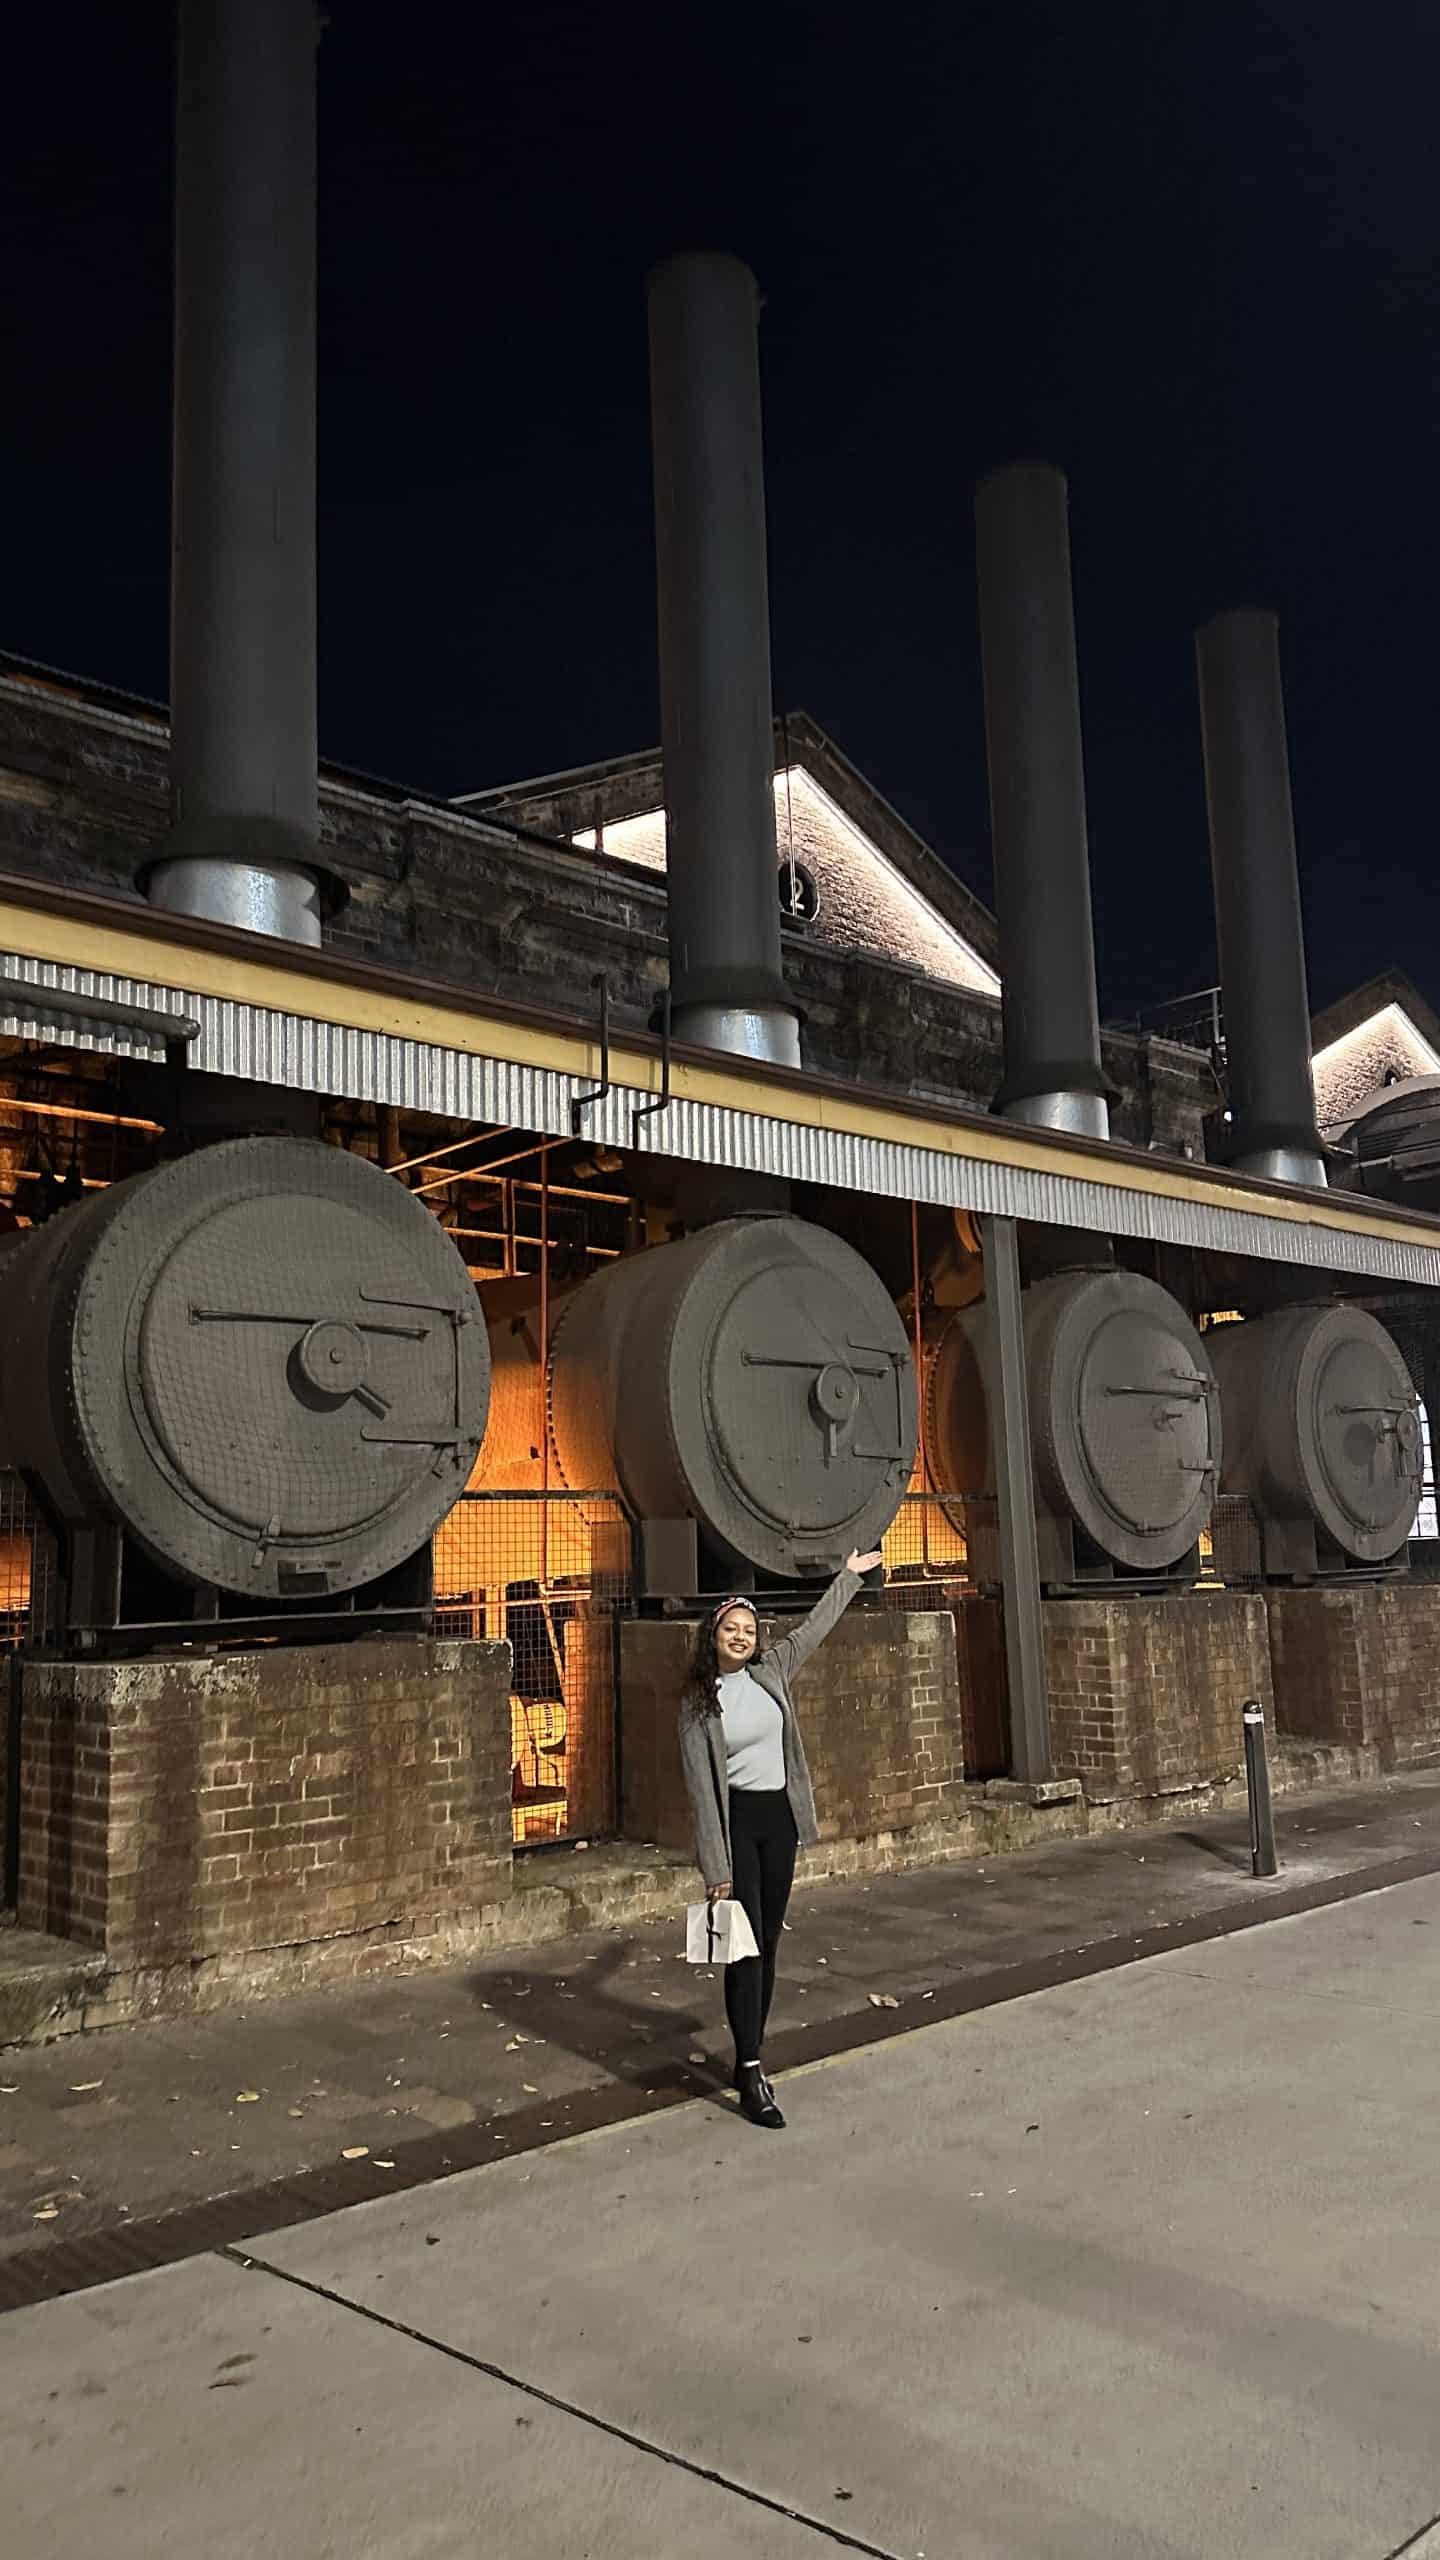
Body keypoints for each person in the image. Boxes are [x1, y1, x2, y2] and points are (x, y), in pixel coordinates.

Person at [678, 1548, 884, 2130]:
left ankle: (752, 2050)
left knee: (766, 1942)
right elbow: (700, 1793)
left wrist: (848, 1576)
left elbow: (815, 1627)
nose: (741, 1637)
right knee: (742, 1949)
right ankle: (748, 2070)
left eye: (749, 1630)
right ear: (712, 1635)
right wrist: (716, 1869)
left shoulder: (772, 1672)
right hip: (737, 1824)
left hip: (778, 1822)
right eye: (731, 1629)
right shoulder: (699, 1703)